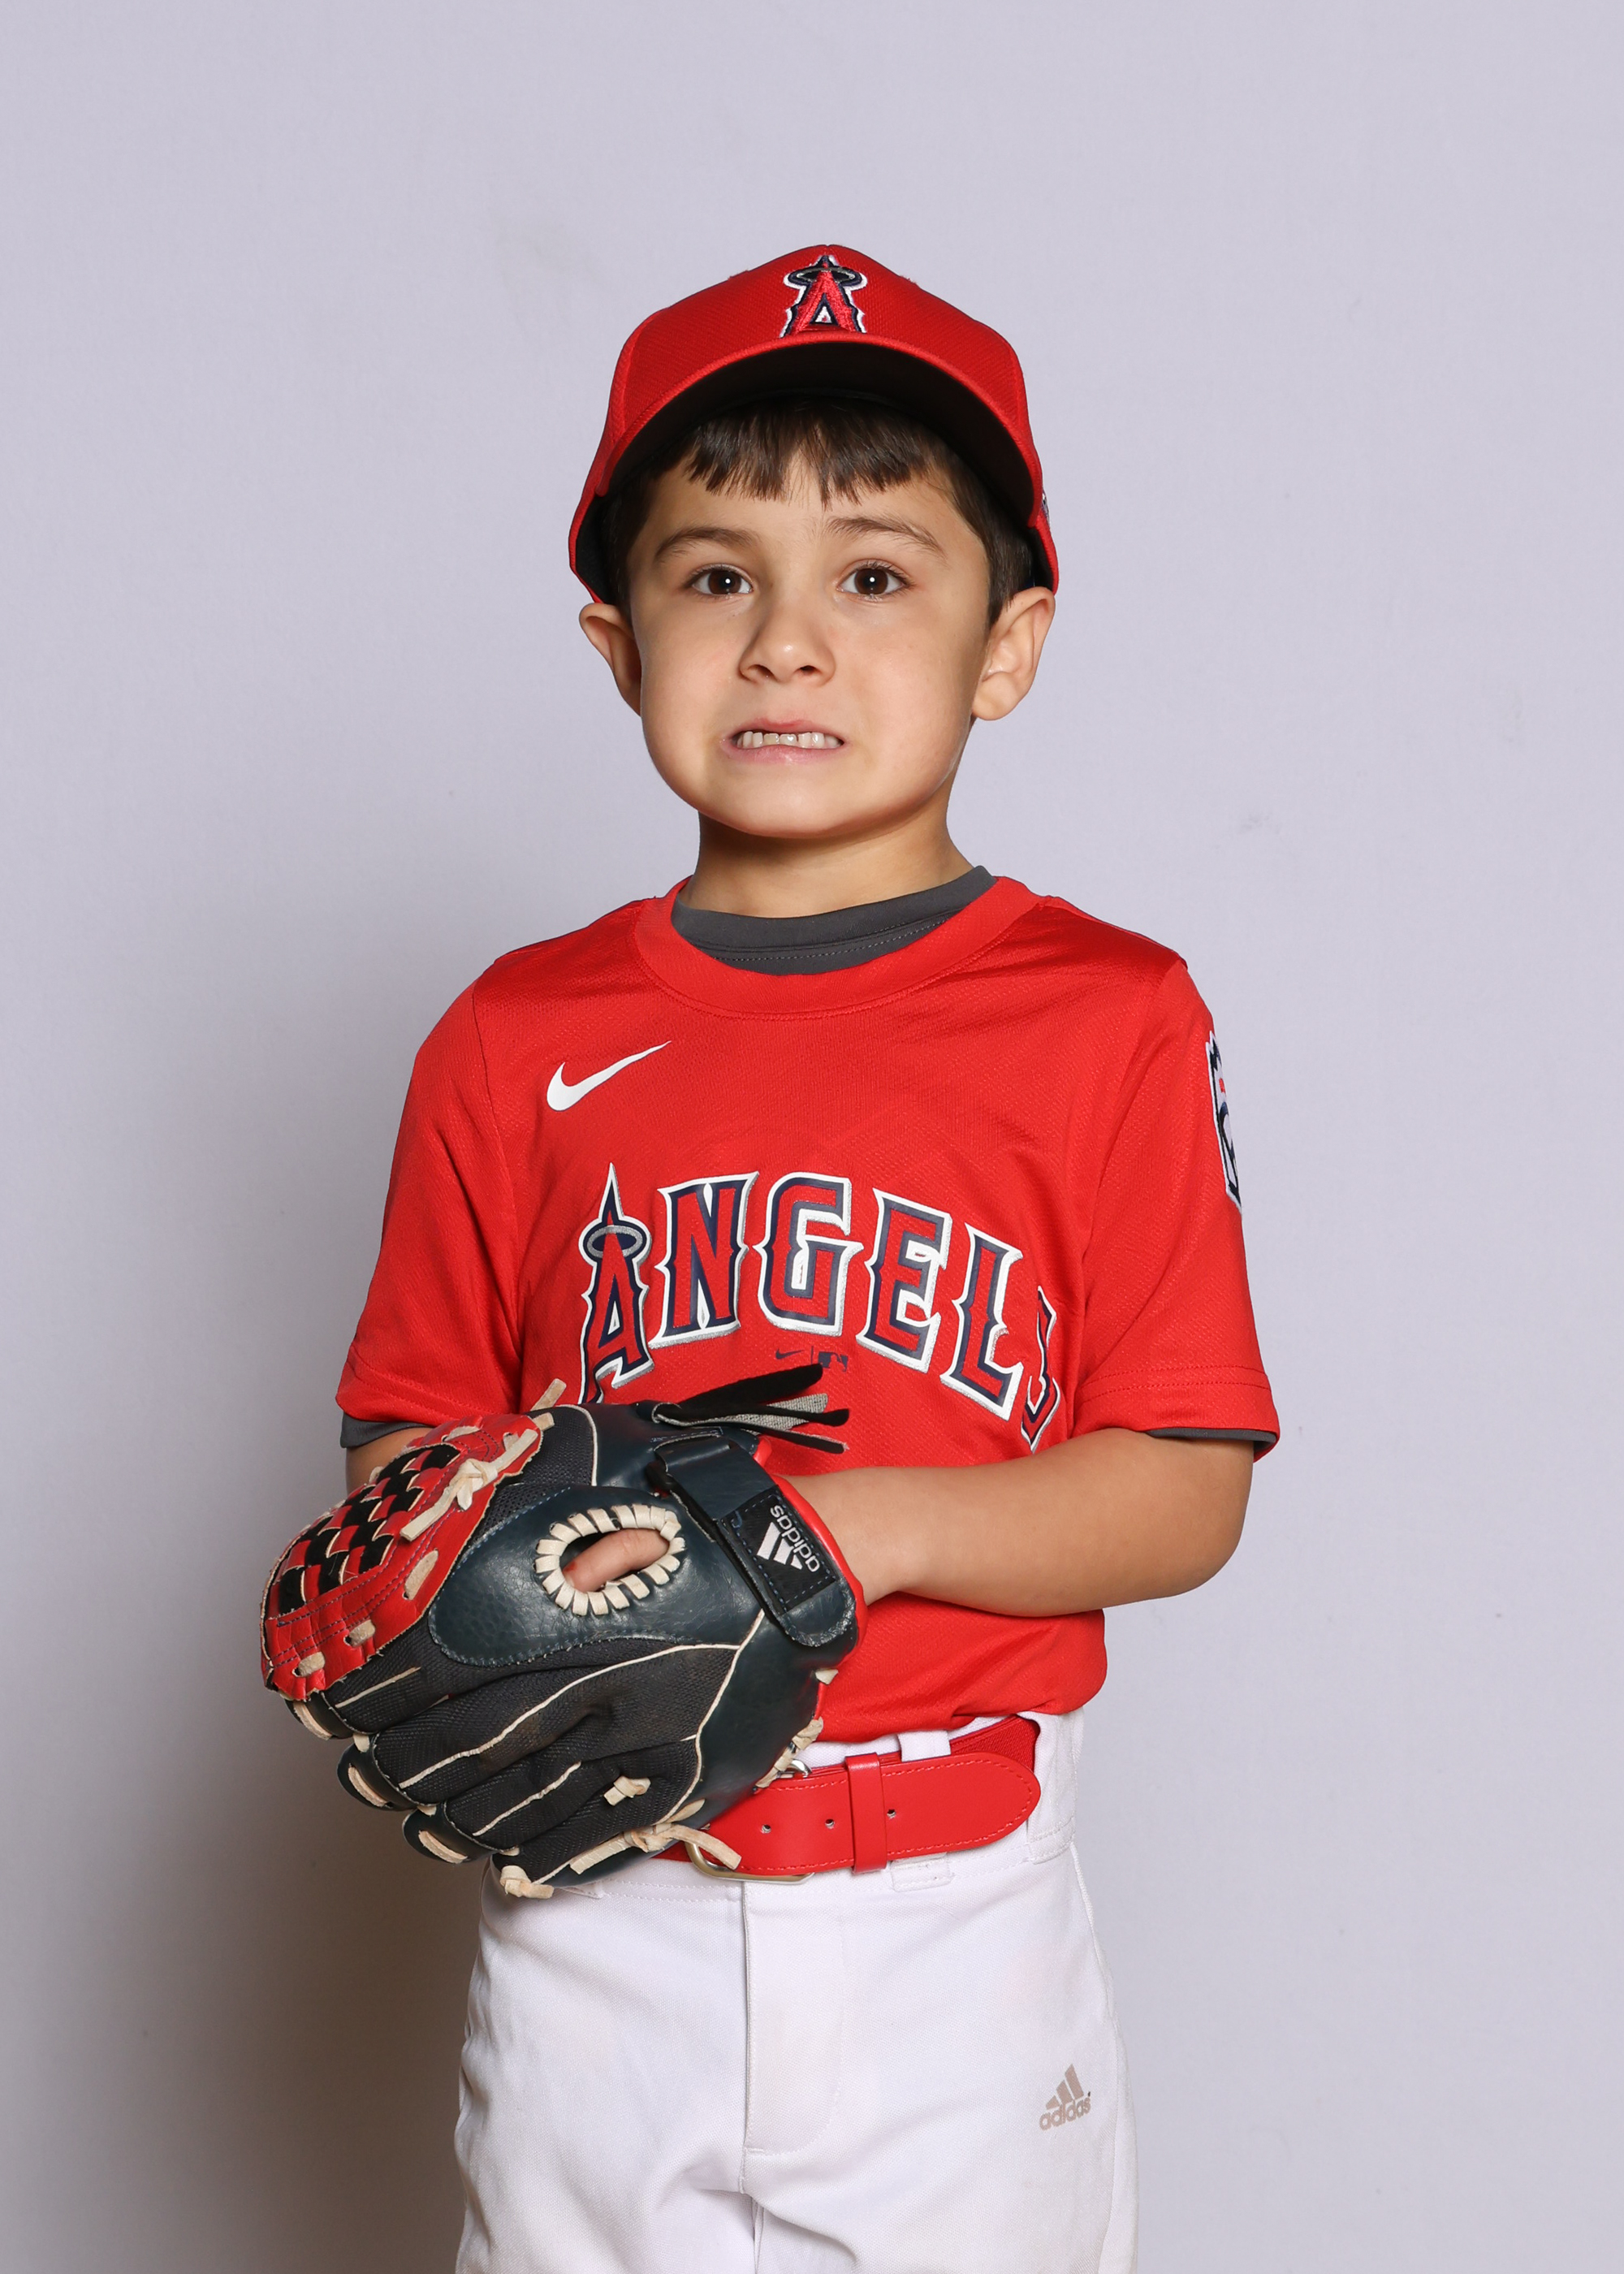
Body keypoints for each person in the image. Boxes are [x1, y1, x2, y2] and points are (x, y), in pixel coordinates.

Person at [335, 243, 1277, 2274]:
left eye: (872, 572)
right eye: (713, 575)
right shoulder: (510, 1036)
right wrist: (488, 1570)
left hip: (952, 1922)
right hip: (601, 1916)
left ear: (1006, 643)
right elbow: (407, 1455)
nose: (785, 642)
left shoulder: (1107, 1012)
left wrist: (849, 1529)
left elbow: (1183, 1485)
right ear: (617, 643)